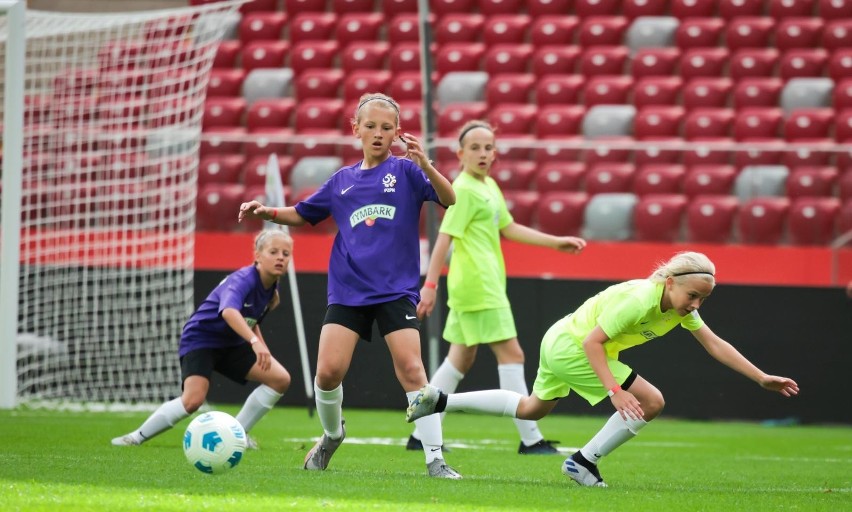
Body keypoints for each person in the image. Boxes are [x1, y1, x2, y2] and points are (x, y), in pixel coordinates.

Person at [406, 251, 800, 487]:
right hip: (573, 346)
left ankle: (438, 399)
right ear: (669, 281)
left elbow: (715, 343)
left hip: (559, 339)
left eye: (703, 299)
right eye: (693, 295)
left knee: (531, 409)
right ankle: (584, 462)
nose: (696, 304)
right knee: (652, 401)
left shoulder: (679, 307)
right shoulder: (641, 299)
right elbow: (593, 343)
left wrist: (761, 376)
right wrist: (615, 389)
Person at [237, 93, 462, 479]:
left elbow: (449, 197)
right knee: (327, 373)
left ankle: (435, 460)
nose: (378, 133)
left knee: (412, 369)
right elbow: (303, 213)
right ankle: (331, 435)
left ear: (397, 132)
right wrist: (269, 212)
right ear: (355, 129)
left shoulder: (407, 173)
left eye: (387, 127)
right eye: (370, 126)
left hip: (396, 291)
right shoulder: (341, 182)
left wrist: (425, 163)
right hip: (348, 289)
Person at [408, 120, 587, 455]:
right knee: (512, 354)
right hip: (479, 286)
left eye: (488, 147)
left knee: (460, 359)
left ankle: (421, 432)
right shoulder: (463, 189)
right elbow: (444, 237)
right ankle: (530, 438)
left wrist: (556, 243)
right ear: (460, 154)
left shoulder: (488, 185)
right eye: (475, 148)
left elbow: (509, 227)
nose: (483, 153)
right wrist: (429, 285)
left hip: (477, 286)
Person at [112, 229, 294, 449]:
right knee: (192, 401)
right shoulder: (244, 279)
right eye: (273, 252)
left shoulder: (272, 290)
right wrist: (255, 344)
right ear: (257, 255)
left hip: (232, 343)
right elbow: (228, 311)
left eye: (285, 253)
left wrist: (262, 347)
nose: (280, 258)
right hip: (202, 339)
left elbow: (251, 321)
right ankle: (135, 437)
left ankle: (236, 434)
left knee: (280, 379)